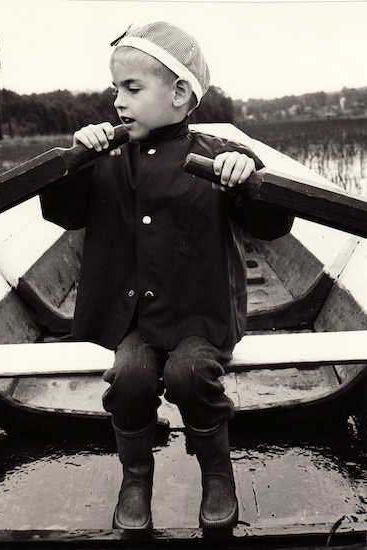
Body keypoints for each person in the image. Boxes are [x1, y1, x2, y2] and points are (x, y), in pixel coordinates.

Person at [40, 21, 293, 531]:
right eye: (115, 89)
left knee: (188, 373)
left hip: (202, 310)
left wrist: (247, 183)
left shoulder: (221, 158)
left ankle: (217, 471)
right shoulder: (106, 156)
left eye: (131, 89)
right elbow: (64, 213)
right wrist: (77, 161)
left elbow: (272, 224)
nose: (117, 102)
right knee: (130, 378)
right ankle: (136, 476)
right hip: (132, 315)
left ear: (180, 93)